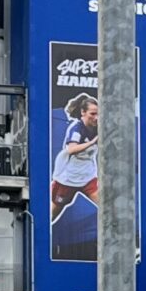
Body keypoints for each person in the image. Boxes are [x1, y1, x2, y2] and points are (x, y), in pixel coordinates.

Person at [50, 91, 100, 224]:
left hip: (88, 176)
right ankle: (39, 231)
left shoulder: (99, 127)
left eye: (98, 114)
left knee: (106, 207)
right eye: (93, 114)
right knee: (55, 211)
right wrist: (92, 142)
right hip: (67, 178)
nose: (96, 118)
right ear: (83, 112)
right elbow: (71, 149)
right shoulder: (76, 128)